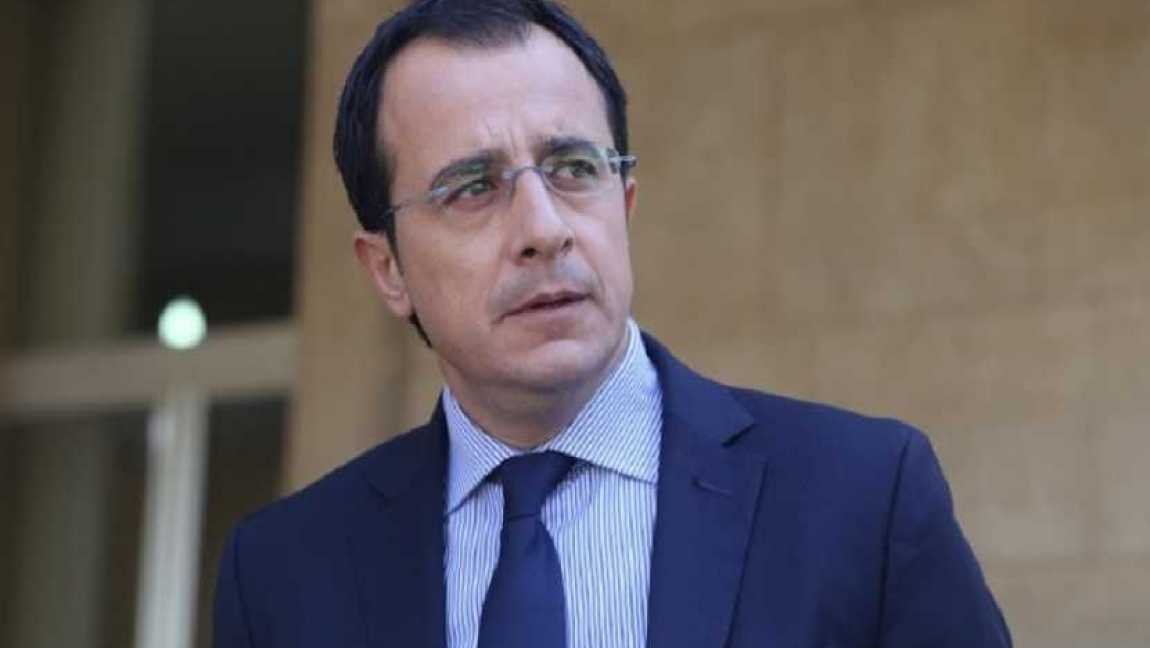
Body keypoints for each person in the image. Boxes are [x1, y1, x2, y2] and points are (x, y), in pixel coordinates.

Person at [213, 1, 1012, 646]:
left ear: (624, 205)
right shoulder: (284, 573)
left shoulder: (863, 499)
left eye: (574, 170)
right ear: (388, 269)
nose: (544, 228)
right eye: (473, 188)